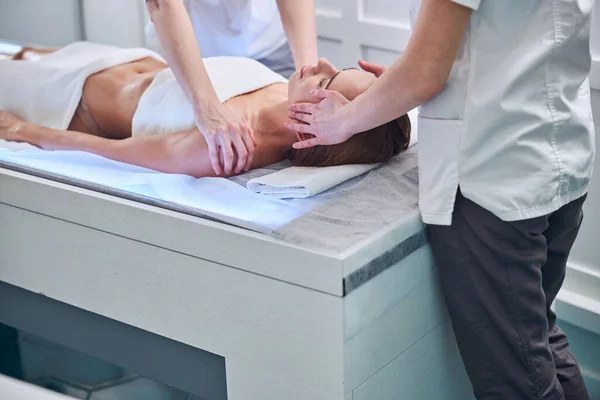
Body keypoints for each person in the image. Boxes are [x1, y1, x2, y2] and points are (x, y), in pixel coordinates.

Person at [286, 0, 595, 399]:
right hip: (557, 157)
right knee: (541, 343)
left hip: (494, 179)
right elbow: (502, 38)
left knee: (516, 382)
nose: (322, 66)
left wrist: (341, 121)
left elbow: (427, 72)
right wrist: (398, 86)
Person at [0, 44, 411, 178]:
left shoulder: (230, 145)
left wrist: (21, 130)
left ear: (311, 131)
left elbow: (112, 152)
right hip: (115, 59)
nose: (319, 65)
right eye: (337, 69)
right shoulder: (285, 95)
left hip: (69, 100)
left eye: (324, 83)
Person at [145, 0, 318, 177]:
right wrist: (206, 106)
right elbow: (164, 4)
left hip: (270, 42)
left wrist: (308, 72)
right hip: (194, 48)